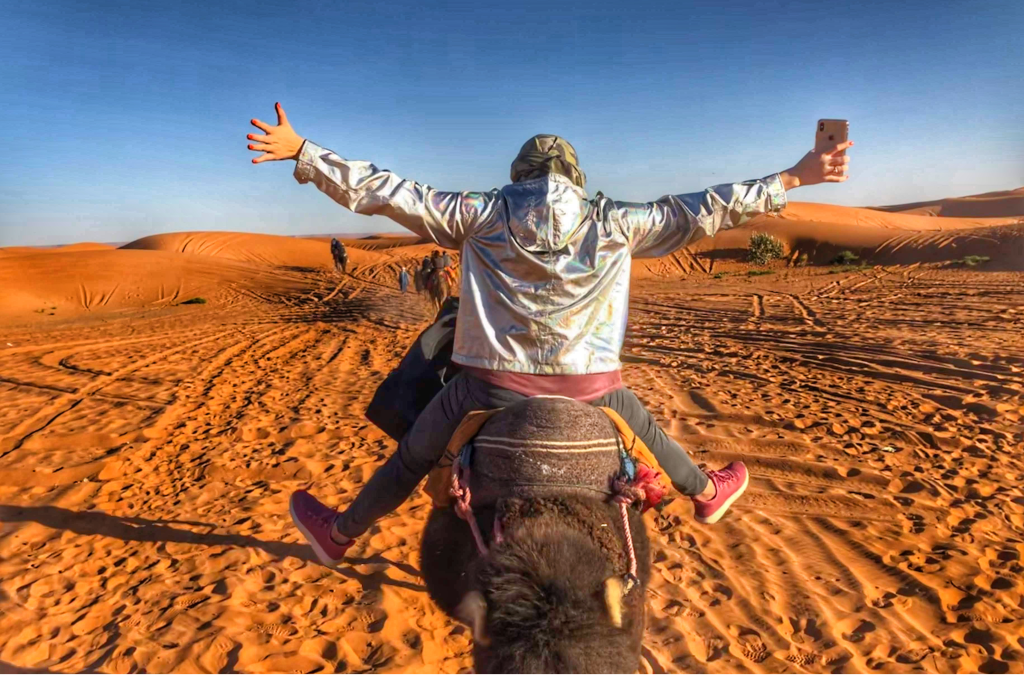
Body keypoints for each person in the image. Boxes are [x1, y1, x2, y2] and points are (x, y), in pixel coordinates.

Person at [247, 102, 852, 565]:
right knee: (641, 421)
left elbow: (387, 191)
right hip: (593, 388)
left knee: (412, 457)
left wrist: (304, 151)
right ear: (576, 177)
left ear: (519, 175)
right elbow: (708, 207)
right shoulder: (616, 221)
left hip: (490, 389)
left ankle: (340, 533)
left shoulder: (478, 213)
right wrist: (794, 177)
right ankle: (703, 491)